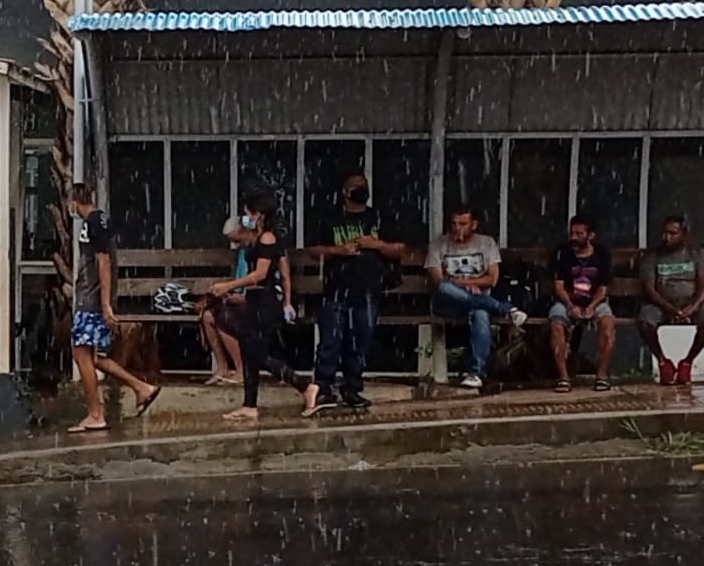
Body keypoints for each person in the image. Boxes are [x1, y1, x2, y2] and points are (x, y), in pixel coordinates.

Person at [66, 183, 162, 433]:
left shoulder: (94, 223)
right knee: (97, 357)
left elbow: (104, 261)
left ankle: (96, 414)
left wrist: (105, 302)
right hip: (94, 296)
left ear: (74, 202)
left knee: (81, 353)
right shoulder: (101, 221)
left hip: (91, 298)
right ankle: (141, 388)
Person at [211, 193, 316, 421]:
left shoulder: (268, 238)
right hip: (255, 300)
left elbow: (260, 274)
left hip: (265, 301)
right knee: (250, 350)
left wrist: (230, 285)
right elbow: (279, 271)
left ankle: (305, 385)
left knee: (255, 354)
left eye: (248, 213)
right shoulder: (257, 238)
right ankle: (250, 404)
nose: (245, 217)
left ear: (258, 214)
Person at [308, 170, 403, 410]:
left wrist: (377, 244)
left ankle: (352, 388)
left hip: (368, 290)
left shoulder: (379, 217)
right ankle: (323, 388)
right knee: (330, 341)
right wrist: (337, 250)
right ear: (344, 192)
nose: (361, 190)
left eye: (364, 185)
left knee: (360, 341)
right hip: (336, 289)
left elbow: (400, 249)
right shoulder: (330, 218)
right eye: (355, 186)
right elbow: (314, 250)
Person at [425, 205, 528, 389]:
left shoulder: (486, 243)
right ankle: (505, 308)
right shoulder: (438, 245)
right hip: (449, 302)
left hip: (477, 302)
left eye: (462, 223)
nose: (457, 228)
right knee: (445, 289)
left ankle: (476, 373)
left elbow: (492, 279)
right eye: (454, 224)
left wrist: (465, 283)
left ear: (474, 224)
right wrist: (468, 285)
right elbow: (438, 281)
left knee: (480, 313)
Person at [549, 215, 616, 393]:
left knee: (608, 324)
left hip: (595, 301)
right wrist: (571, 306)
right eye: (572, 233)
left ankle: (601, 376)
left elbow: (603, 288)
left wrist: (591, 307)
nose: (574, 237)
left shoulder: (602, 254)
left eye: (579, 234)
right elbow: (559, 286)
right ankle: (563, 377)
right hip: (566, 301)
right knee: (556, 324)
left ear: (590, 235)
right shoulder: (562, 253)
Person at [638, 215, 704, 385]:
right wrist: (671, 309)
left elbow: (703, 287)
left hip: (690, 303)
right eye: (665, 233)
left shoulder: (696, 254)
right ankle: (663, 362)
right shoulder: (653, 255)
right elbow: (650, 290)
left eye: (673, 233)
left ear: (684, 233)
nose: (667, 237)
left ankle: (687, 362)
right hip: (660, 304)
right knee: (645, 321)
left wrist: (692, 307)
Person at [200, 217, 250, 385]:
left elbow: (261, 280)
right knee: (208, 316)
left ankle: (242, 370)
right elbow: (240, 280)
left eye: (237, 240)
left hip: (256, 300)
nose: (236, 245)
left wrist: (243, 295)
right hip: (239, 298)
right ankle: (222, 367)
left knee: (222, 317)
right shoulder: (243, 251)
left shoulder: (259, 249)